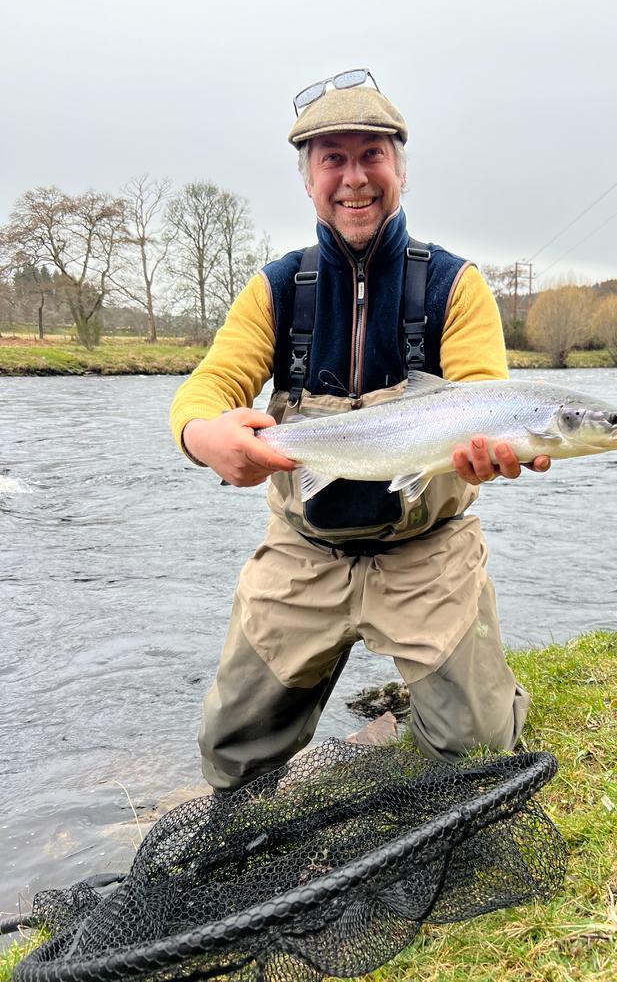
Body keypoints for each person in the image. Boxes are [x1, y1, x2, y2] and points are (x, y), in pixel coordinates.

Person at [169, 70, 550, 792]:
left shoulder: (453, 284)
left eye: (371, 155)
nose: (354, 178)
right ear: (308, 178)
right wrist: (203, 436)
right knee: (232, 754)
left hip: (425, 551)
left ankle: (495, 701)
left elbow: (482, 397)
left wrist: (485, 454)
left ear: (401, 168)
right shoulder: (276, 288)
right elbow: (208, 389)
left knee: (476, 754)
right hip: (304, 552)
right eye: (332, 159)